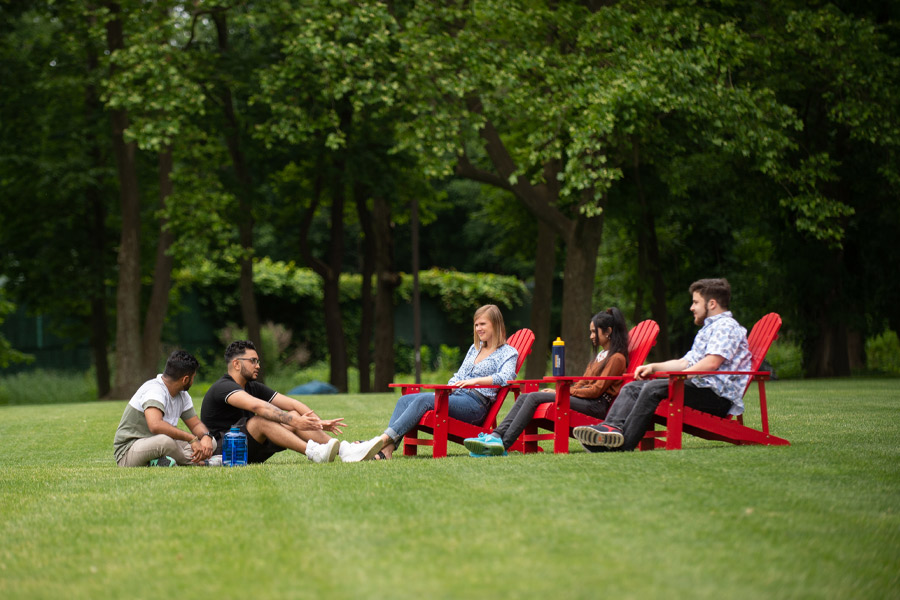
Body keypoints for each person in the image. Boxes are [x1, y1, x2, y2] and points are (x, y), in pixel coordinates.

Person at [574, 278, 751, 452]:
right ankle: (610, 429)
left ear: (712, 304)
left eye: (696, 302)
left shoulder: (726, 327)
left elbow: (712, 363)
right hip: (699, 388)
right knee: (632, 388)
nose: (692, 307)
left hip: (715, 398)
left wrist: (680, 377)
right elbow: (684, 362)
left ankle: (623, 444)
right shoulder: (709, 329)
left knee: (652, 388)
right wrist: (654, 367)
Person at [356, 304, 519, 460]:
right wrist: (448, 387)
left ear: (495, 324)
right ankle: (388, 450)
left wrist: (476, 381)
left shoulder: (508, 352)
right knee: (404, 399)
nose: (478, 329)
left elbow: (506, 377)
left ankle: (380, 441)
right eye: (476, 325)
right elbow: (459, 375)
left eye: (483, 324)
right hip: (457, 396)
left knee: (424, 400)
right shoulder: (475, 348)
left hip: (475, 406)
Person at [463, 308, 630, 456]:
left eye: (595, 332)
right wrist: (566, 391)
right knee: (524, 397)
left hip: (596, 406)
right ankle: (496, 436)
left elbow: (596, 391)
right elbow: (582, 383)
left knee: (534, 398)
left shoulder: (616, 358)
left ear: (608, 331)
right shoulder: (601, 356)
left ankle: (503, 444)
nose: (591, 336)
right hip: (586, 400)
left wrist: (562, 393)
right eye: (591, 332)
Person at [201, 340, 370, 464]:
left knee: (294, 413)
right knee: (262, 420)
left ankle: (345, 450)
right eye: (253, 361)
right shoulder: (223, 387)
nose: (258, 365)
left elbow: (293, 404)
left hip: (249, 448)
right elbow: (257, 406)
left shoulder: (253, 387)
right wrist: (296, 422)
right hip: (226, 453)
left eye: (258, 361)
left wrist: (315, 423)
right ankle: (313, 452)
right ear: (236, 364)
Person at [114, 350, 216, 467]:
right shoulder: (154, 390)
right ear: (185, 379)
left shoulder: (182, 395)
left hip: (158, 444)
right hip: (129, 451)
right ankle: (202, 463)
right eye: (193, 377)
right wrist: (191, 438)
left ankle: (163, 462)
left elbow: (196, 425)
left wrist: (206, 436)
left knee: (211, 443)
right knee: (166, 442)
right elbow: (155, 425)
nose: (193, 381)